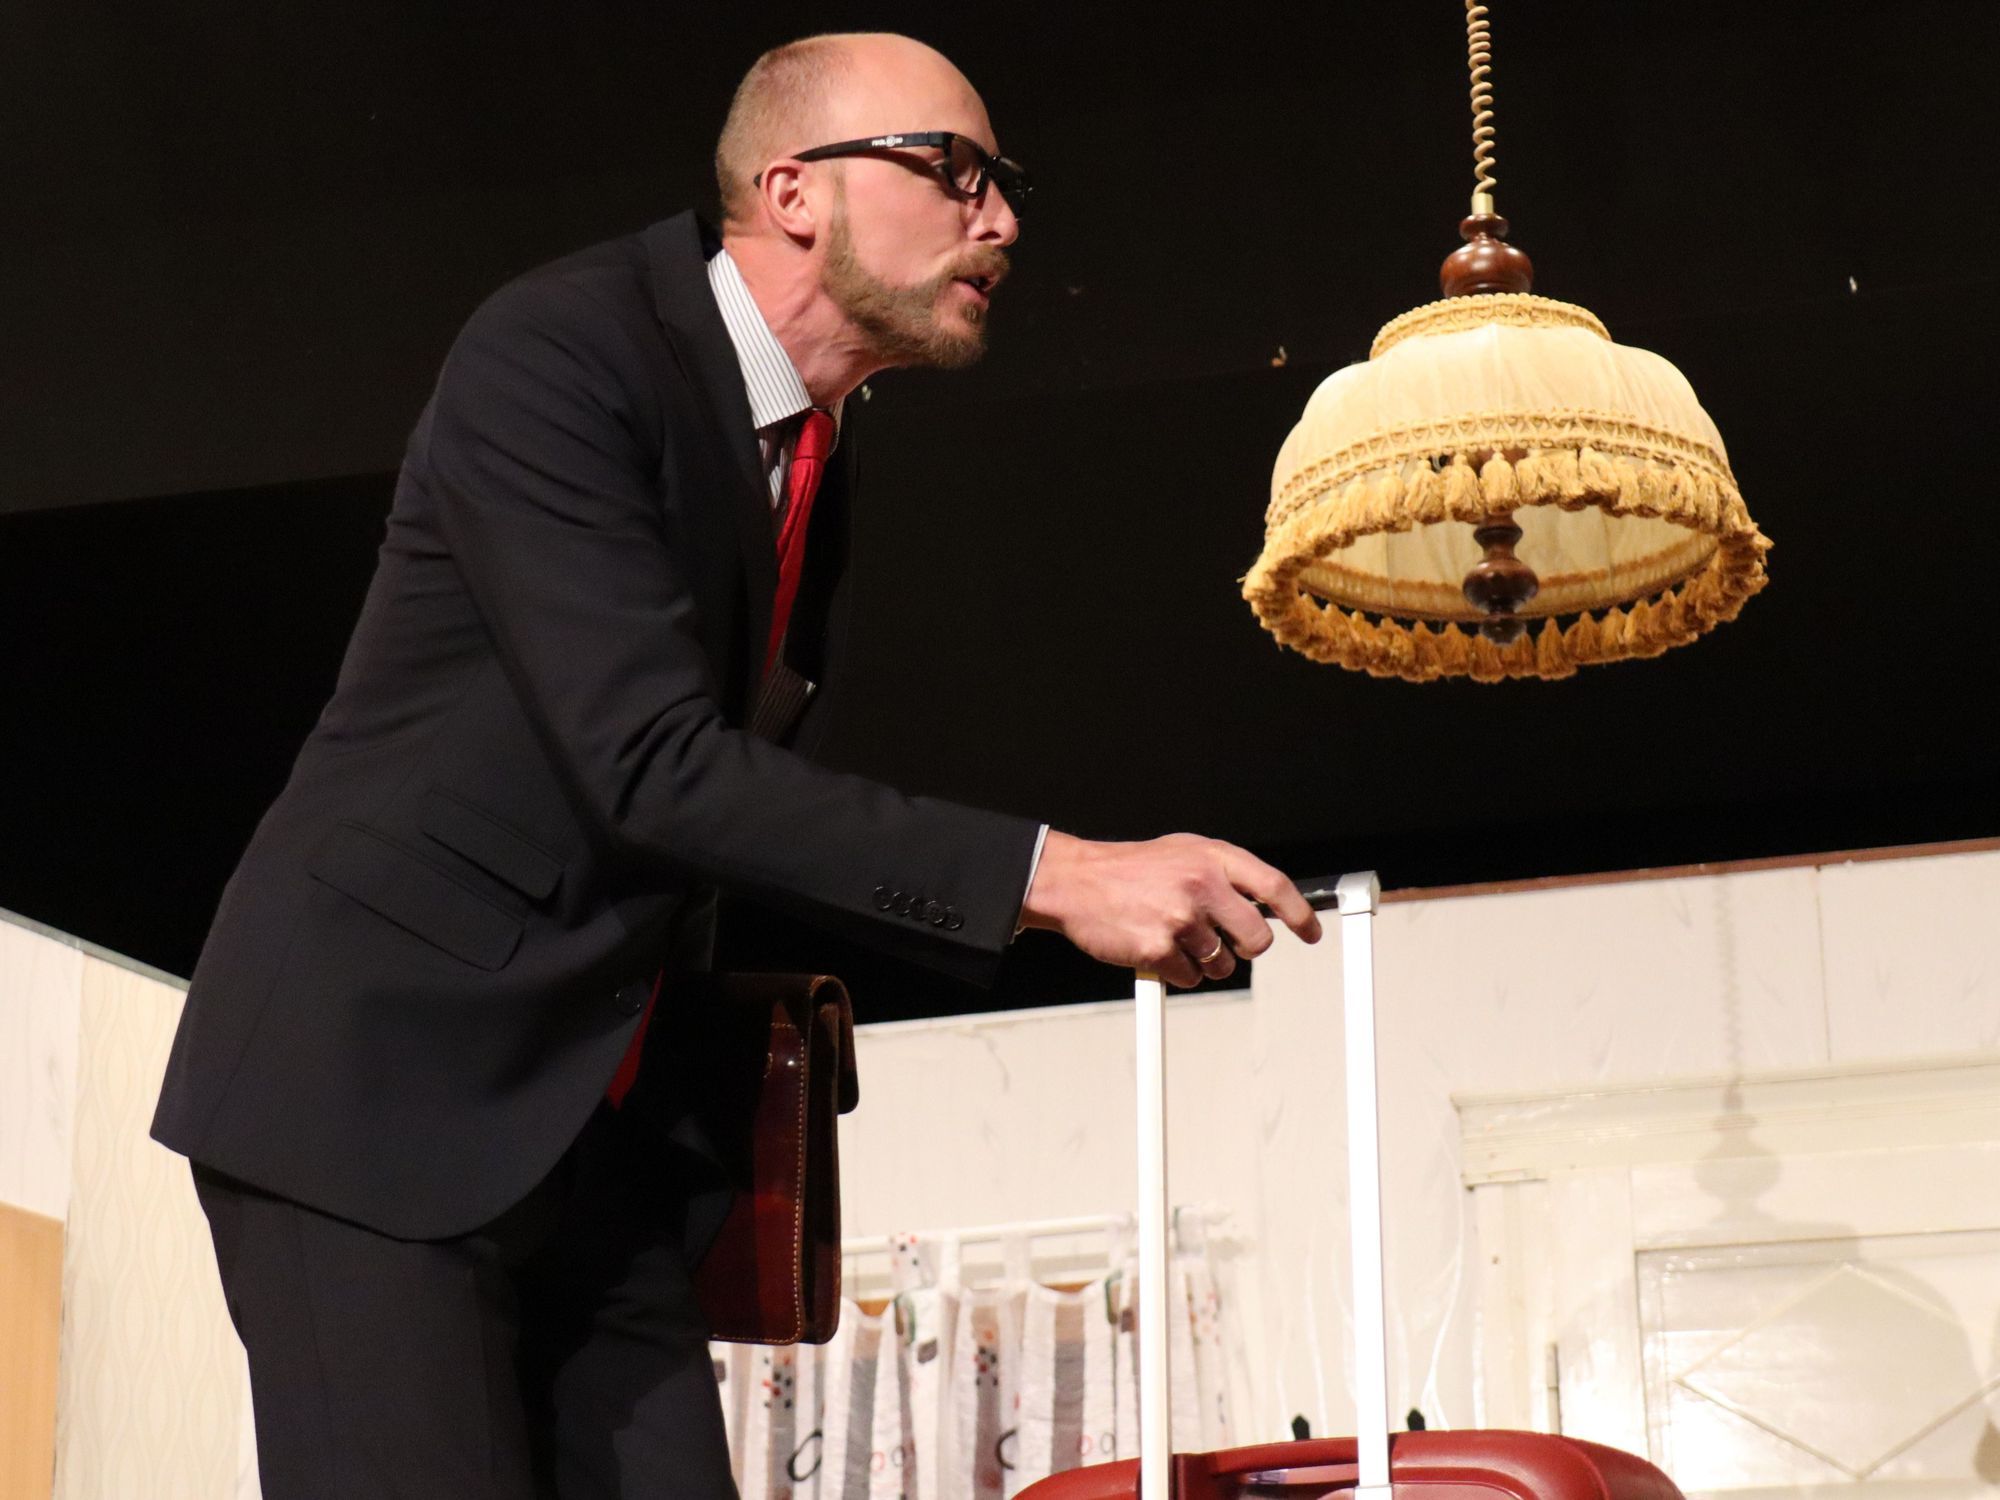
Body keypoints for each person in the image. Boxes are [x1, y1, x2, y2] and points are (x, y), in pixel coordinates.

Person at [152, 30, 1321, 1500]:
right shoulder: (562, 351)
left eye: (1003, 183)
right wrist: (1061, 876)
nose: (1001, 220)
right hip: (373, 1090)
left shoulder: (812, 445)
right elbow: (651, 766)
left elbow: (712, 814)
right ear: (793, 191)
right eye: (954, 170)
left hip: (589, 1133)